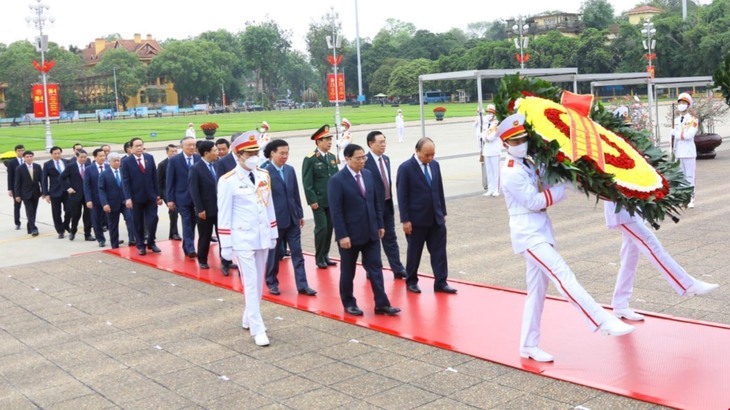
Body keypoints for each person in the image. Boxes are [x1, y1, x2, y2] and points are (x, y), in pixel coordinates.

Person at [497, 113, 634, 363]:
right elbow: (534, 201)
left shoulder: (526, 163)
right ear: (504, 144)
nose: (521, 144)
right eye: (515, 142)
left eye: (523, 139)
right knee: (563, 274)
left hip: (539, 231)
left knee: (536, 292)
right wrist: (563, 188)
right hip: (528, 235)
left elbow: (544, 182)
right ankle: (601, 320)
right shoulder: (510, 171)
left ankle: (528, 345)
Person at [603, 201, 719, 321]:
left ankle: (620, 304)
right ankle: (687, 284)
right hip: (622, 212)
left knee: (629, 258)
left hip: (631, 210)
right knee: (651, 244)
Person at [218, 133, 278, 347]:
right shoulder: (227, 181)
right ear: (238, 155)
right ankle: (257, 327)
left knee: (259, 281)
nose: (254, 156)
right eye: (250, 153)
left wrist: (273, 232)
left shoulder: (263, 175)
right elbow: (223, 214)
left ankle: (248, 316)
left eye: (256, 152)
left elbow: (268, 205)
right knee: (250, 283)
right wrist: (225, 245)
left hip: (262, 235)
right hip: (242, 238)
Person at [328, 144, 401, 317]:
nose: (362, 161)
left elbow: (375, 202)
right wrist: (342, 235)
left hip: (371, 232)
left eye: (363, 158)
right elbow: (336, 211)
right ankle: (349, 303)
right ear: (347, 159)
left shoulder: (368, 175)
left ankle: (382, 304)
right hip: (350, 236)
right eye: (358, 158)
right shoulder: (337, 180)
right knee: (348, 271)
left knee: (376, 268)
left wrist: (380, 225)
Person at [396, 137, 457, 294]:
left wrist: (442, 212)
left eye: (432, 154)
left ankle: (441, 282)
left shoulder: (435, 165)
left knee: (439, 252)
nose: (430, 158)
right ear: (417, 151)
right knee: (415, 252)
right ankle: (411, 281)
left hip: (436, 219)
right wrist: (405, 220)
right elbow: (402, 197)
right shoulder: (406, 168)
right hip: (416, 220)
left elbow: (439, 189)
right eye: (427, 155)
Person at [263, 139, 316, 296]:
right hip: (276, 221)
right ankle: (272, 282)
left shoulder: (290, 170)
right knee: (274, 255)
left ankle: (302, 285)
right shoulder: (264, 173)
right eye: (281, 153)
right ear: (272, 153)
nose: (285, 156)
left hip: (292, 219)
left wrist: (299, 214)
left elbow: (295, 194)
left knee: (297, 253)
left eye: (287, 153)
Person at [364, 131, 406, 279]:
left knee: (390, 238)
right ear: (370, 144)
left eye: (384, 142)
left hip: (387, 205)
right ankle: (373, 269)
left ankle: (398, 268)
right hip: (373, 208)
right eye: (380, 142)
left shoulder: (386, 159)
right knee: (373, 240)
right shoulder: (364, 161)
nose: (383, 145)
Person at [302, 124, 339, 269]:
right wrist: (312, 201)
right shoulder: (310, 159)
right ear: (318, 141)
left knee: (329, 228)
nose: (329, 142)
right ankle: (319, 257)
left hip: (331, 200)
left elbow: (336, 178)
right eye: (326, 139)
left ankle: (325, 255)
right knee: (321, 228)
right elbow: (307, 182)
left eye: (330, 139)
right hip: (318, 201)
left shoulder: (332, 157)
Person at [121, 137, 162, 256]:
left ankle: (151, 242)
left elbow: (154, 177)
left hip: (150, 196)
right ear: (131, 148)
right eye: (136, 146)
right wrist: (128, 197)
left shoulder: (149, 158)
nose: (139, 148)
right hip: (135, 197)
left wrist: (157, 194)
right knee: (138, 222)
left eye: (141, 145)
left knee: (153, 219)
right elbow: (125, 181)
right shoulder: (127, 162)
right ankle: (140, 245)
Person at [166, 136, 200, 258]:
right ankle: (190, 248)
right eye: (189, 145)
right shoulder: (174, 160)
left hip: (196, 198)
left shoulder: (198, 158)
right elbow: (170, 181)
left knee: (193, 222)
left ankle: (187, 245)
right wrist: (170, 199)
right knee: (186, 221)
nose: (192, 147)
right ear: (182, 147)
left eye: (193, 145)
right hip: (181, 197)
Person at [188, 140, 219, 270]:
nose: (217, 153)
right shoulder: (196, 168)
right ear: (206, 153)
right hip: (205, 209)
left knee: (223, 235)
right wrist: (200, 209)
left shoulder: (217, 165)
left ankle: (226, 259)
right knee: (205, 236)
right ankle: (202, 259)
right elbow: (194, 191)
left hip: (220, 208)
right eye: (215, 150)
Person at [98, 153, 133, 249]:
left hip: (125, 202)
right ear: (109, 162)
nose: (117, 163)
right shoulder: (104, 174)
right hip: (112, 203)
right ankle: (114, 244)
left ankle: (132, 240)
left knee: (130, 220)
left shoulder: (124, 172)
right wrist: (105, 203)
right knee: (113, 225)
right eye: (115, 161)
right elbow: (101, 190)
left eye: (118, 160)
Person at [671, 92, 698, 208]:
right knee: (680, 177)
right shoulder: (676, 120)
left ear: (688, 105)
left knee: (690, 177)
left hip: (688, 152)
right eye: (680, 102)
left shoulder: (693, 120)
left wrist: (676, 134)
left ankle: (691, 198)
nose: (681, 105)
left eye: (683, 103)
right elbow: (672, 139)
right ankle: (683, 198)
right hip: (678, 152)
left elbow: (689, 135)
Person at [61, 149, 94, 242]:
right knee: (76, 215)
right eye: (81, 157)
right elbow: (62, 178)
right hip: (75, 194)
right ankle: (73, 231)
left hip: (87, 195)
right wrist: (68, 188)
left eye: (85, 157)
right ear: (76, 157)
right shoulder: (70, 166)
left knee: (88, 215)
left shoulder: (89, 166)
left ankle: (87, 234)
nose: (83, 159)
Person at [41, 146, 70, 238]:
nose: (57, 155)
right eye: (55, 154)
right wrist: (46, 194)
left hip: (67, 191)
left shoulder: (66, 162)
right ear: (51, 154)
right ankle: (60, 230)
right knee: (56, 213)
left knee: (70, 210)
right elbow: (44, 180)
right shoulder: (47, 164)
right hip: (55, 192)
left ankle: (65, 224)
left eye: (58, 153)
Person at [83, 148, 108, 247]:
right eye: (100, 156)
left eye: (104, 156)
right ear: (95, 157)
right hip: (95, 199)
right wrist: (88, 199)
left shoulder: (108, 166)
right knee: (96, 220)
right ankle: (100, 239)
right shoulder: (89, 169)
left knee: (110, 220)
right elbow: (86, 185)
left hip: (107, 198)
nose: (103, 158)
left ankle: (114, 237)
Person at [14, 151, 42, 236]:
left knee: (34, 211)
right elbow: (17, 183)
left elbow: (41, 180)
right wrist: (17, 195)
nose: (29, 158)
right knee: (29, 211)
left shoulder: (37, 166)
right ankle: (34, 228)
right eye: (27, 157)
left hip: (36, 193)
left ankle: (29, 226)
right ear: (24, 158)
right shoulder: (20, 168)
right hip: (25, 193)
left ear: (33, 157)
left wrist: (44, 191)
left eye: (30, 156)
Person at [157, 144, 181, 241]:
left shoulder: (180, 162)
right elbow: (158, 181)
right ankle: (174, 232)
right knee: (173, 211)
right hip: (167, 192)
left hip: (179, 191)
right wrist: (158, 196)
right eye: (172, 151)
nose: (174, 153)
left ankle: (172, 233)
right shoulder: (162, 165)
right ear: (167, 152)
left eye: (176, 151)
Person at [480, 104, 501, 197]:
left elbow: (491, 137)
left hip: (494, 150)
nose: (488, 114)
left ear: (494, 114)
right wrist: (485, 137)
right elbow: (482, 136)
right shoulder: (486, 124)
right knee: (489, 171)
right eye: (488, 112)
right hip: (487, 150)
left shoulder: (497, 124)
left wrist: (485, 137)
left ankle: (496, 189)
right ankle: (490, 189)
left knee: (496, 172)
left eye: (490, 113)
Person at [5, 144, 25, 230]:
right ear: (16, 152)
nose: (21, 152)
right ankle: (17, 222)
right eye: (19, 151)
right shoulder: (12, 163)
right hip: (16, 188)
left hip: (26, 187)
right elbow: (10, 176)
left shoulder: (27, 160)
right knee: (17, 205)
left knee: (29, 206)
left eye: (22, 150)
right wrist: (10, 189)